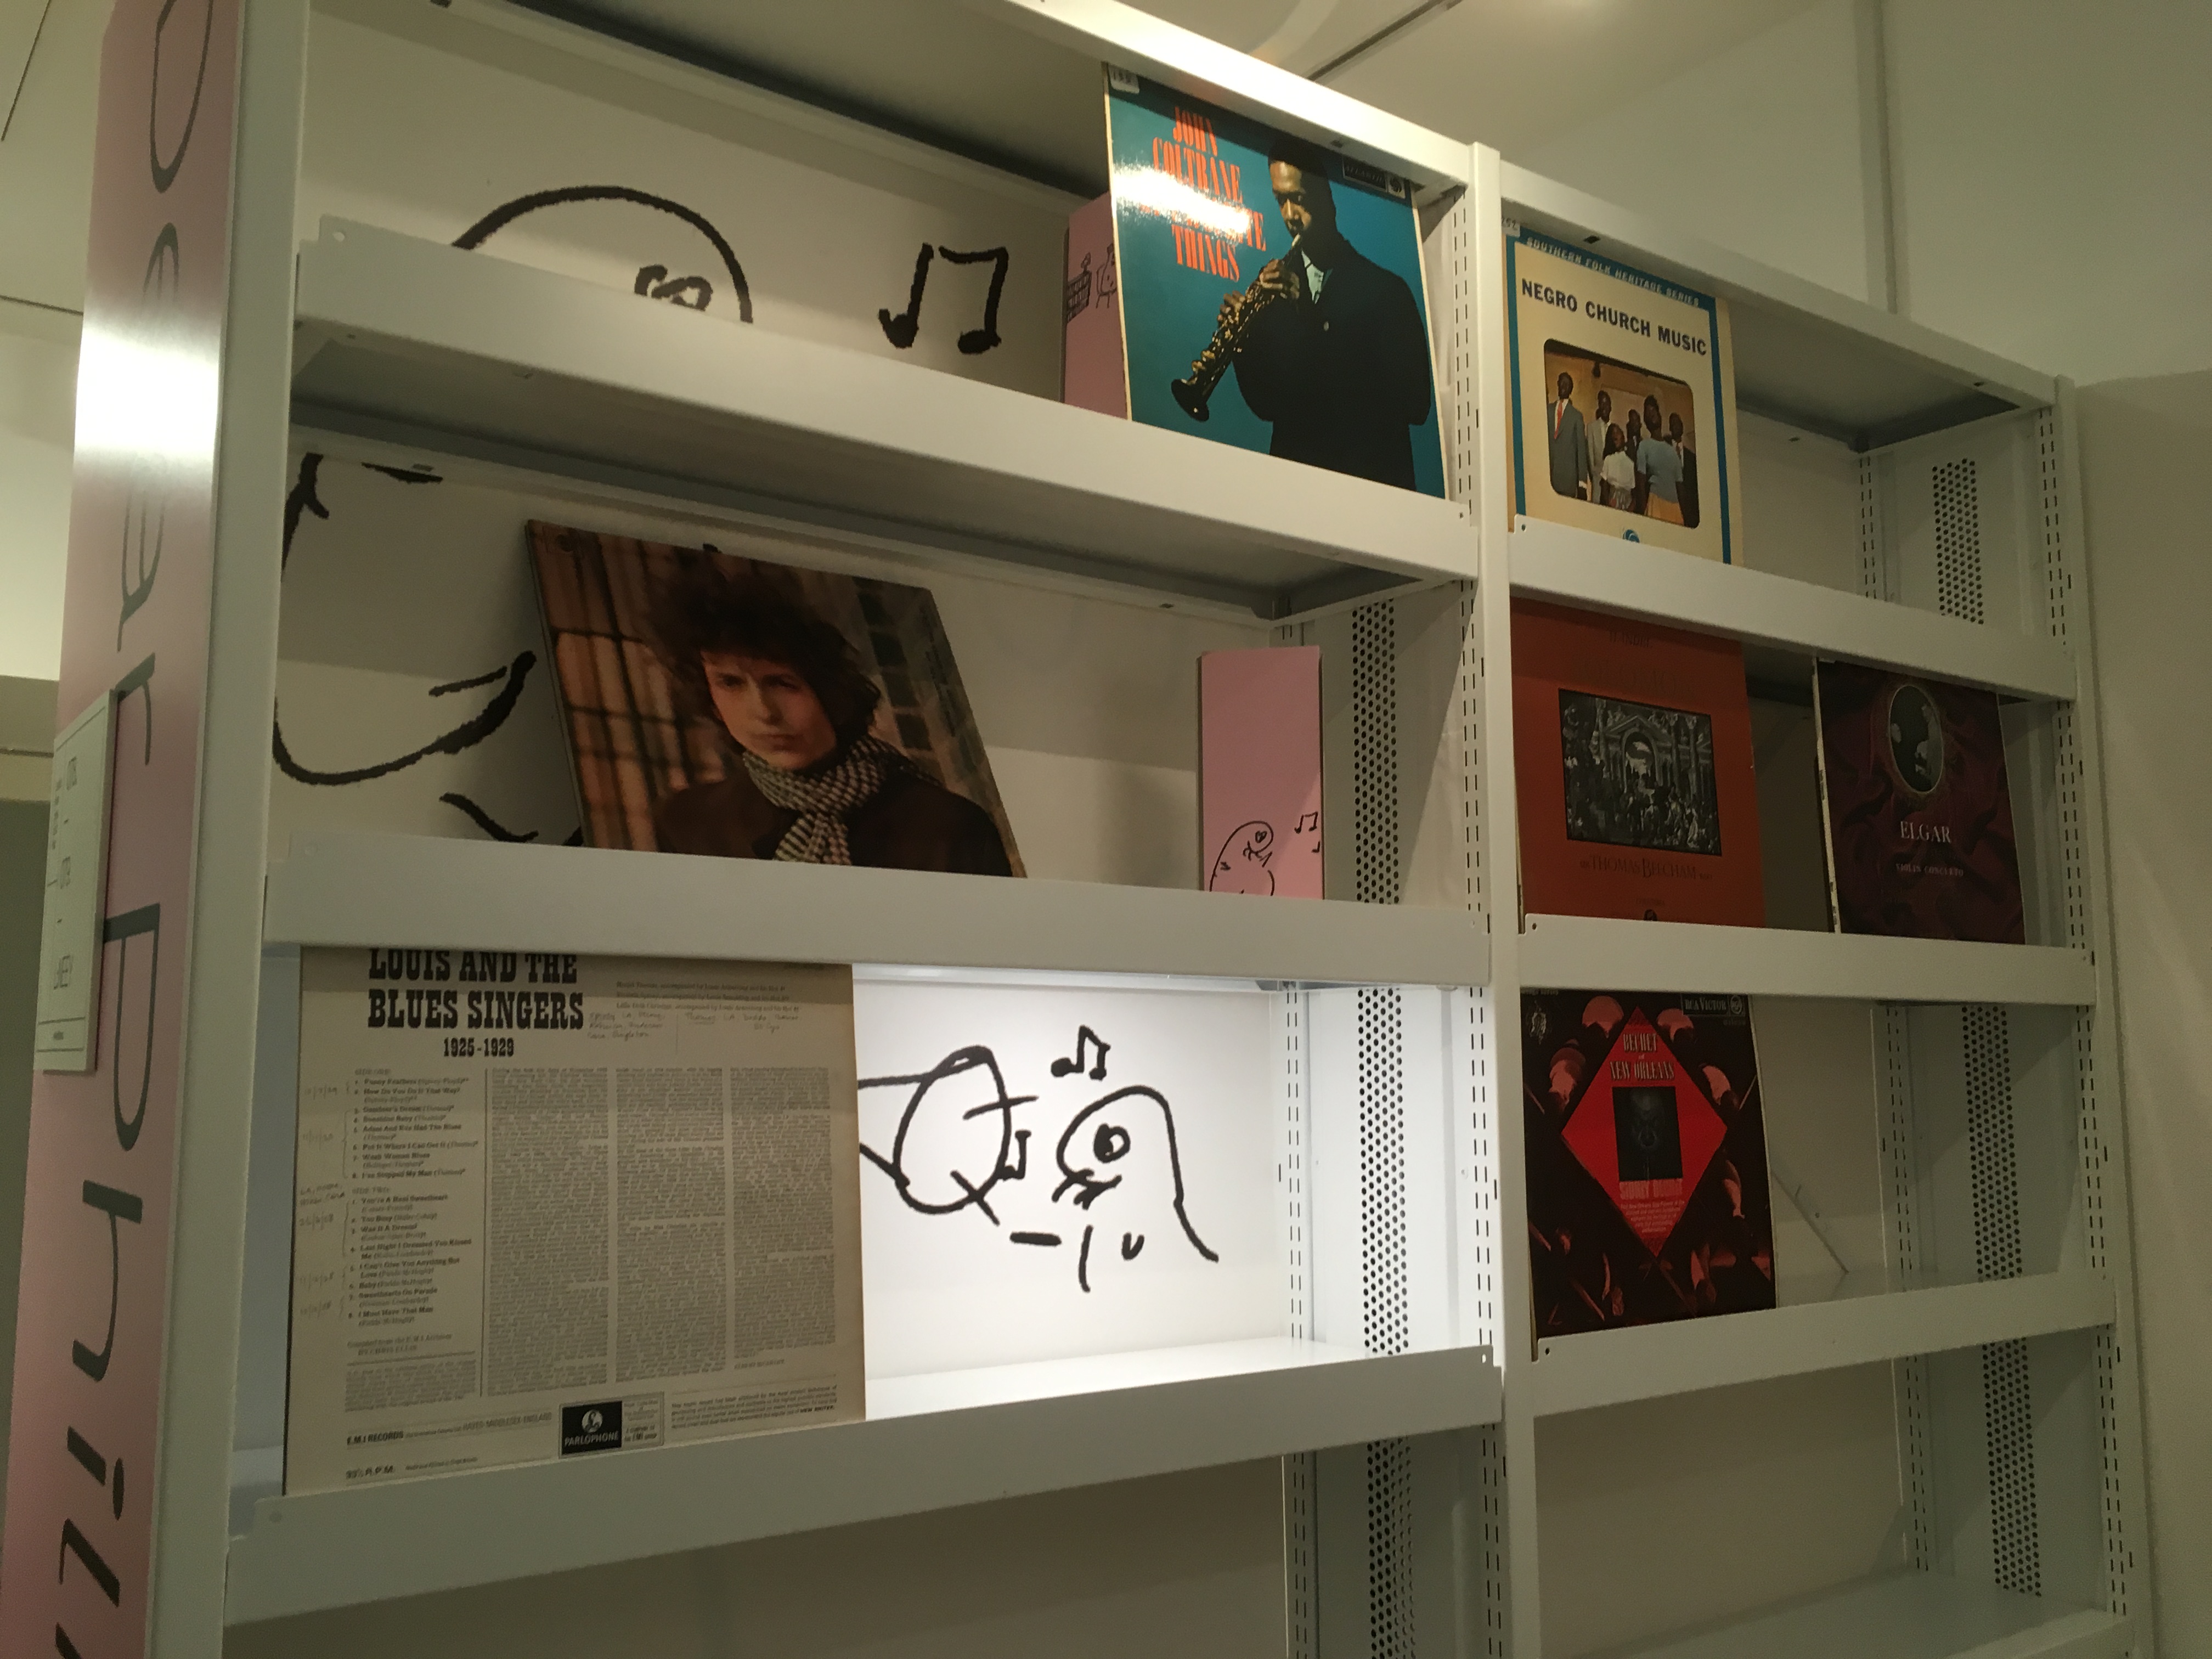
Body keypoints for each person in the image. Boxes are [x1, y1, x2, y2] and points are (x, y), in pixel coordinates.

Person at [646, 556, 1012, 874]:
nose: (764, 712)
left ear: (828, 689)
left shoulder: (947, 826)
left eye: (782, 683)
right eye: (730, 683)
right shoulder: (689, 823)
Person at [1227, 137, 1435, 489]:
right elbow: (1269, 405)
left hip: (1367, 495)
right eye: (1281, 200)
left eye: (1299, 199)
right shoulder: (1275, 290)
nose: (1290, 215)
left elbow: (1417, 405)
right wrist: (1242, 345)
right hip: (1295, 496)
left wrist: (1309, 317)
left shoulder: (1386, 291)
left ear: (1326, 197)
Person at [1544, 370, 1590, 500]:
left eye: (1567, 384)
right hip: (1547, 478)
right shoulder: (1548, 410)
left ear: (1571, 389)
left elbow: (1581, 451)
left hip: (1567, 481)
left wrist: (1582, 484)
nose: (1563, 387)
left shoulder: (1576, 416)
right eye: (1561, 383)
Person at [1637, 411, 1686, 525]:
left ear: (1660, 417)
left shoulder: (1672, 452)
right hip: (1655, 501)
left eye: (1653, 411)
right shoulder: (1644, 446)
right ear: (1646, 422)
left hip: (1675, 507)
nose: (1652, 414)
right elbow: (1640, 483)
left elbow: (1680, 485)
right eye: (1648, 413)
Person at [1669, 411, 1700, 528]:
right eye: (1673, 424)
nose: (1676, 426)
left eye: (1678, 423)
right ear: (1670, 428)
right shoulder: (1665, 451)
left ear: (1682, 427)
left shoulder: (1692, 457)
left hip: (1689, 512)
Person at [1600, 423, 1636, 510]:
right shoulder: (1609, 459)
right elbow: (1604, 486)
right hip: (1612, 501)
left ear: (1623, 436)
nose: (1615, 436)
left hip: (1627, 502)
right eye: (1612, 434)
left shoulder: (1631, 462)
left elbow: (1635, 492)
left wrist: (1630, 509)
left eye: (1617, 433)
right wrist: (1608, 504)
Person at [1585, 388, 1612, 493]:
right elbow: (1590, 456)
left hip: (1612, 483)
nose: (1604, 407)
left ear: (1611, 407)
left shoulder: (1615, 430)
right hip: (1598, 481)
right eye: (1602, 404)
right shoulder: (1592, 427)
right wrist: (1595, 475)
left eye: (1606, 404)